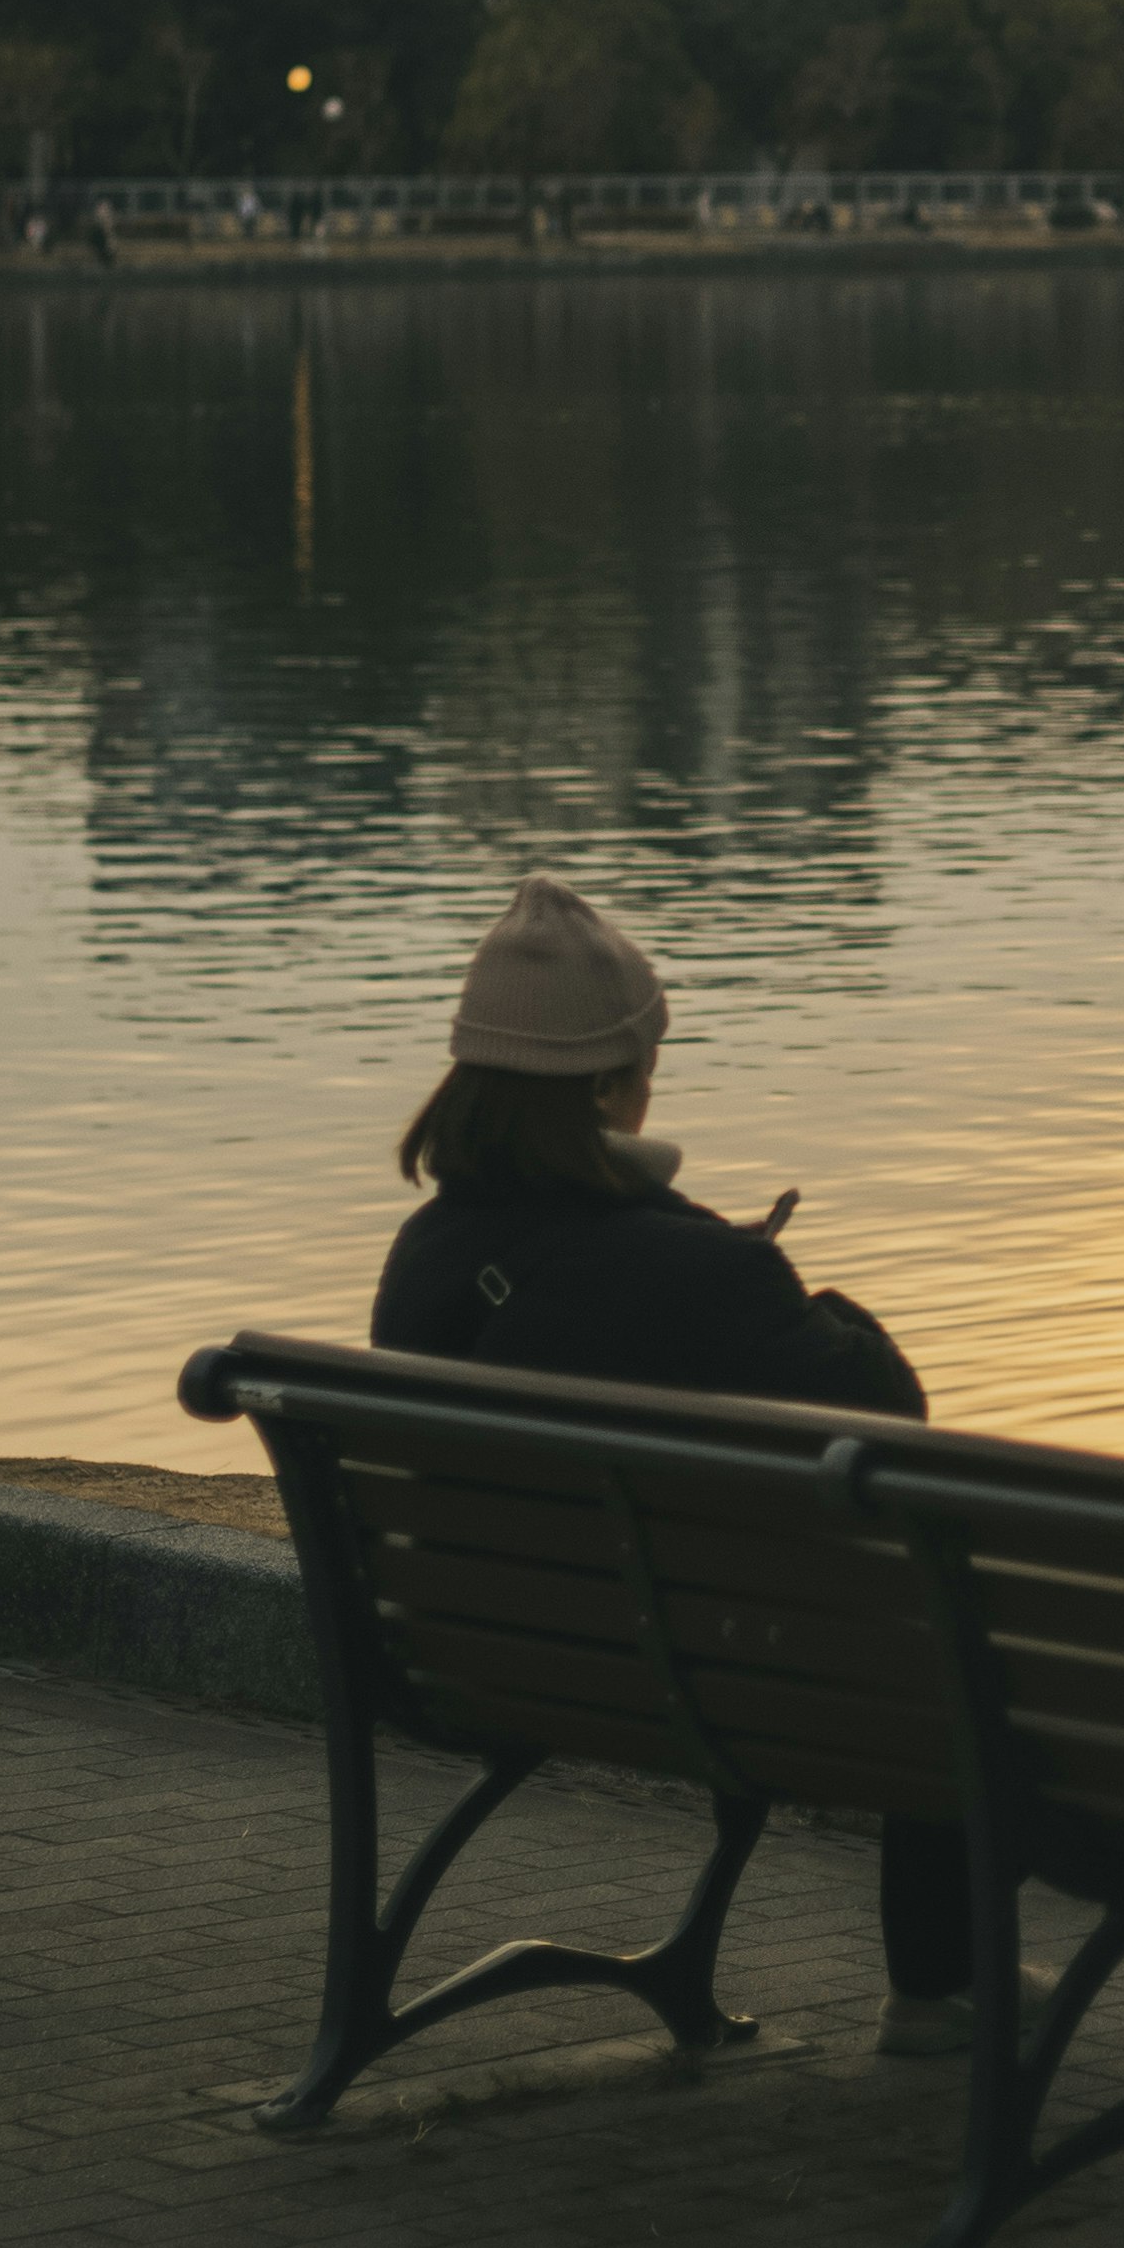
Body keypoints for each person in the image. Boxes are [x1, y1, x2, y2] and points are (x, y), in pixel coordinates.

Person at [374, 873, 975, 2054]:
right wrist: (745, 1256)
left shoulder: (426, 1253)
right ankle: (941, 1981)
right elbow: (891, 1407)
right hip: (718, 1689)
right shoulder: (692, 1271)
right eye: (648, 1059)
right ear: (606, 1085)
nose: (657, 1080)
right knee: (943, 1609)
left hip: (473, 1663)